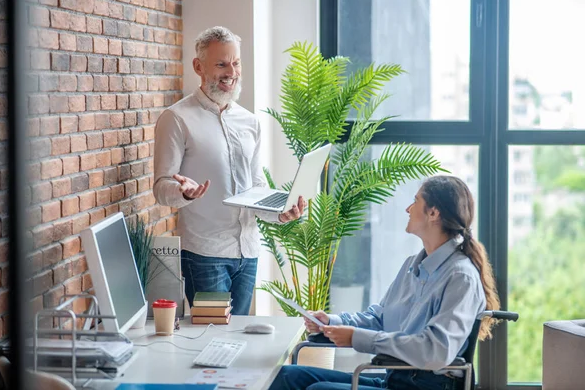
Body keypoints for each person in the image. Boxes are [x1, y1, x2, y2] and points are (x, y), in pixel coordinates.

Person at [270, 175, 500, 390]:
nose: (408, 209)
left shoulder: (460, 277)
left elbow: (436, 350)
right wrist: (332, 321)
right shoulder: (413, 265)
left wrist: (357, 338)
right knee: (287, 376)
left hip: (426, 385)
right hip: (397, 379)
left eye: (415, 201)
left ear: (433, 213)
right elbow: (380, 318)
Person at [153, 26, 305, 316]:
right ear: (198, 66)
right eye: (221, 63)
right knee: (210, 340)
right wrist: (184, 193)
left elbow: (256, 186)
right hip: (204, 255)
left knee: (236, 343)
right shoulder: (176, 118)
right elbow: (161, 188)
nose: (231, 72)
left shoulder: (250, 122)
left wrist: (280, 213)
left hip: (248, 254)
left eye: (235, 63)